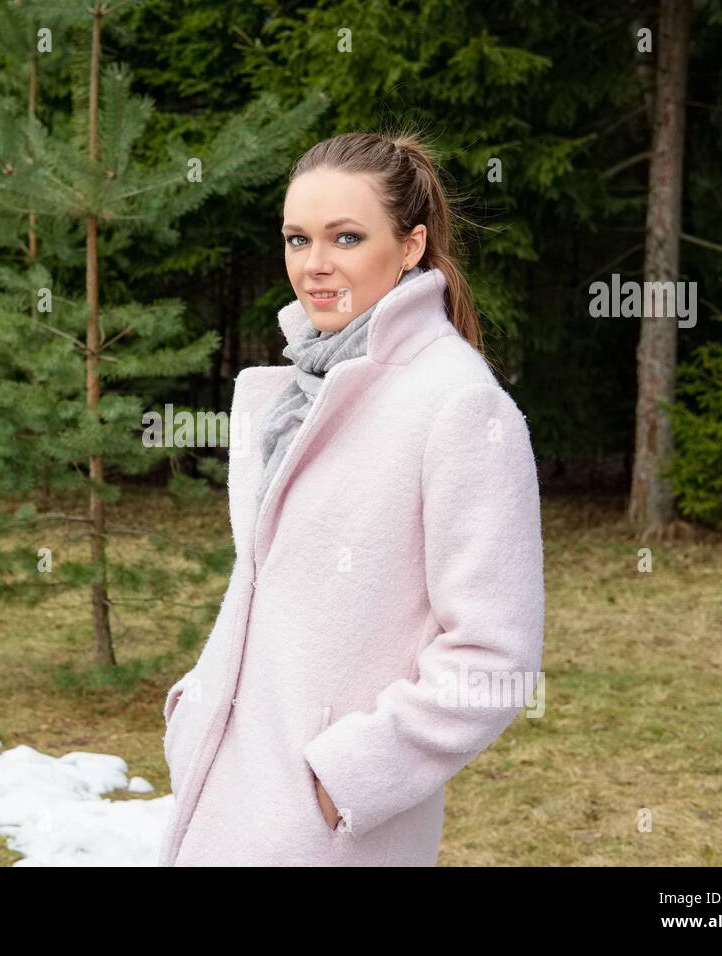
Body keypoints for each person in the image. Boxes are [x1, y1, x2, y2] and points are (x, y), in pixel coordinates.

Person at [158, 130, 545, 866]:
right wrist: (196, 703)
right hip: (227, 792)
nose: (315, 265)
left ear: (410, 247)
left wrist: (343, 778)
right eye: (297, 239)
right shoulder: (286, 394)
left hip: (326, 834)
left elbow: (495, 657)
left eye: (346, 237)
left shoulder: (457, 403)